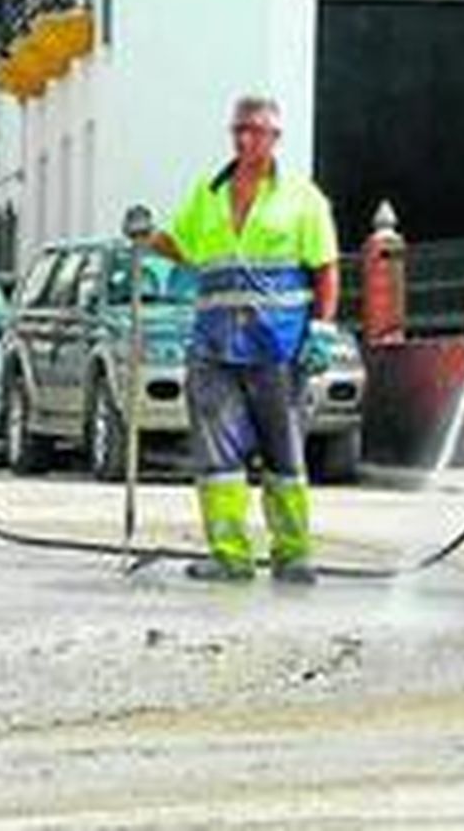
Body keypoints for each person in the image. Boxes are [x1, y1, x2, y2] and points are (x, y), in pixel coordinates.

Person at [147, 95, 341, 584]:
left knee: (285, 453)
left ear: (275, 138)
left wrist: (322, 327)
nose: (244, 139)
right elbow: (184, 247)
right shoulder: (207, 194)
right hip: (214, 348)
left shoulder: (303, 199)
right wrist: (148, 238)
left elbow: (326, 269)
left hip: (278, 349)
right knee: (218, 458)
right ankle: (229, 555)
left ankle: (293, 553)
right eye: (239, 129)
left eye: (255, 130)